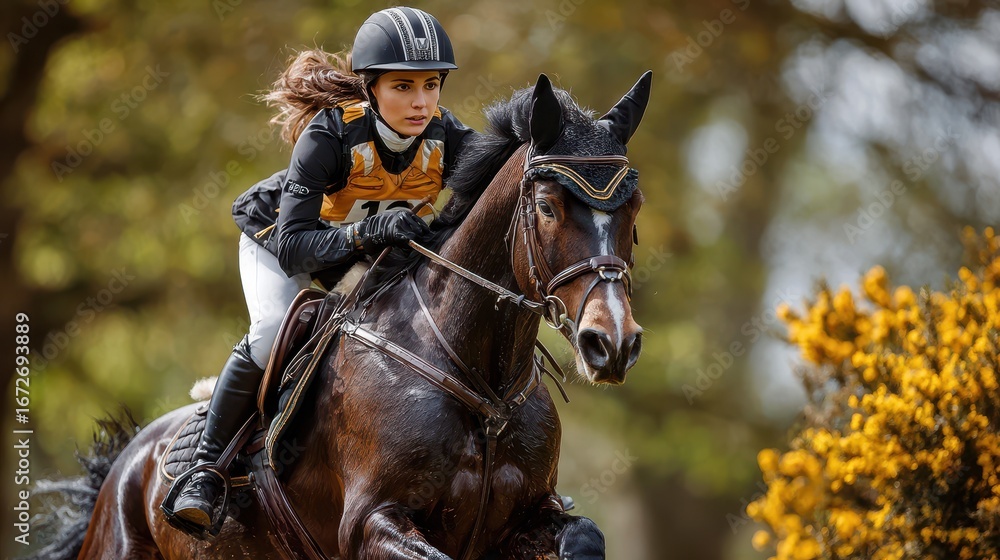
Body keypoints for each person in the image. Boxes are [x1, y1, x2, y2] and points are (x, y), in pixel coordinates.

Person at [167, 6, 476, 532]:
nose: (421, 102)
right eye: (403, 86)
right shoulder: (329, 136)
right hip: (279, 242)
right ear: (371, 86)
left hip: (354, 262)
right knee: (271, 332)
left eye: (431, 84)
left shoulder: (448, 138)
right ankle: (205, 470)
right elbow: (293, 248)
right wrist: (366, 234)